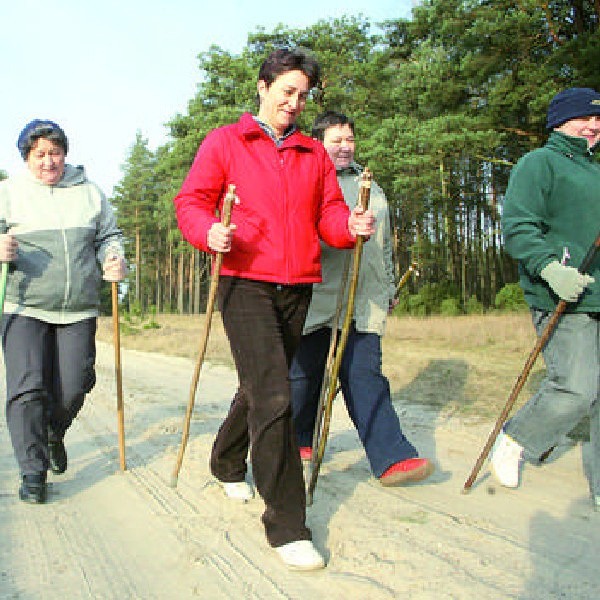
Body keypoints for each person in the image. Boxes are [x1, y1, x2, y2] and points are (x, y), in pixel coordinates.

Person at [173, 49, 374, 570]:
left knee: (261, 387)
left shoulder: (312, 153)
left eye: (302, 94)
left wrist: (347, 229)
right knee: (276, 394)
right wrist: (207, 231)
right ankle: (287, 523)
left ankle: (224, 460)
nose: (294, 102)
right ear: (262, 87)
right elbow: (191, 201)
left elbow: (329, 213)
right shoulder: (227, 140)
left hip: (297, 284)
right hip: (243, 281)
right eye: (286, 91)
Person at [289, 111, 434, 486]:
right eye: (336, 140)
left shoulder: (373, 186)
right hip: (319, 297)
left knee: (364, 374)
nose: (344, 146)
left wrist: (386, 286)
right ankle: (296, 437)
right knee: (304, 379)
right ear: (319, 142)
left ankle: (391, 456)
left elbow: (383, 246)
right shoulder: (307, 178)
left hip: (364, 299)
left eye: (349, 139)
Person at [0, 120, 127, 504]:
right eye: (39, 154)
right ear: (27, 157)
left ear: (65, 154)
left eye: (54, 153)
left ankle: (55, 431)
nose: (48, 161)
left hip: (77, 308)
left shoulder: (89, 192)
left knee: (74, 385)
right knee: (27, 388)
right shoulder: (8, 193)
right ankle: (32, 471)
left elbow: (109, 236)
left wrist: (115, 258)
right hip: (23, 306)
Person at [492, 87, 600, 510]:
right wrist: (551, 268)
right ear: (559, 122)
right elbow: (518, 227)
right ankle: (517, 437)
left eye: (598, 120)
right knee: (576, 389)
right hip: (562, 295)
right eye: (583, 119)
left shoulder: (597, 170)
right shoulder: (539, 163)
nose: (592, 127)